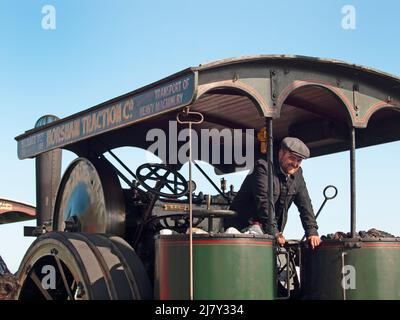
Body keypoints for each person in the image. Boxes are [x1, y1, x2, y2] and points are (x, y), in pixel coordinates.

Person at [226, 137, 321, 249]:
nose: (295, 164)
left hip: (267, 232)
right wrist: (275, 232)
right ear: (281, 154)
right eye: (291, 158)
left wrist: (312, 232)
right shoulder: (263, 167)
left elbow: (305, 204)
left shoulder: (297, 174)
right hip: (242, 230)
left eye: (299, 160)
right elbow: (264, 203)